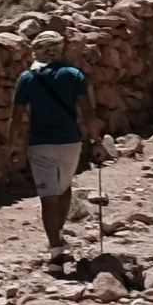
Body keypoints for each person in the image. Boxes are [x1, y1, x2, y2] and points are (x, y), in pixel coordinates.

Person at [16, 48, 93, 251]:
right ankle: (58, 234)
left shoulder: (27, 78)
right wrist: (97, 141)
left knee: (48, 196)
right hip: (70, 142)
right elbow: (88, 112)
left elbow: (15, 116)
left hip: (40, 143)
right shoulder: (74, 75)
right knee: (64, 187)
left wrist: (12, 145)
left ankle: (55, 247)